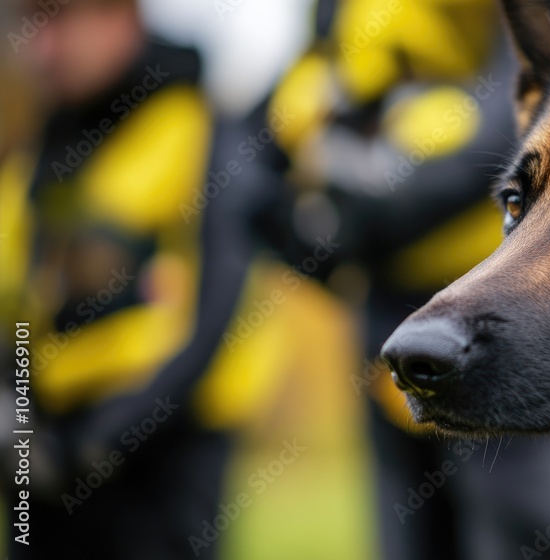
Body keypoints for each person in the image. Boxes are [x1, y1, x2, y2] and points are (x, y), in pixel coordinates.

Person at [233, 0, 550, 557]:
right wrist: (294, 225)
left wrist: (369, 206)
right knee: (405, 529)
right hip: (387, 302)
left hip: (520, 302)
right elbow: (281, 114)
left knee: (522, 524)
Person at [0, 1, 332, 557]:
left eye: (58, 20)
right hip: (43, 452)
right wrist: (16, 413)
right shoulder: (39, 153)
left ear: (119, 18)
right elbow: (14, 303)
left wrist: (94, 445)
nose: (42, 48)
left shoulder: (201, 133)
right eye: (31, 25)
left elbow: (211, 319)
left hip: (164, 459)